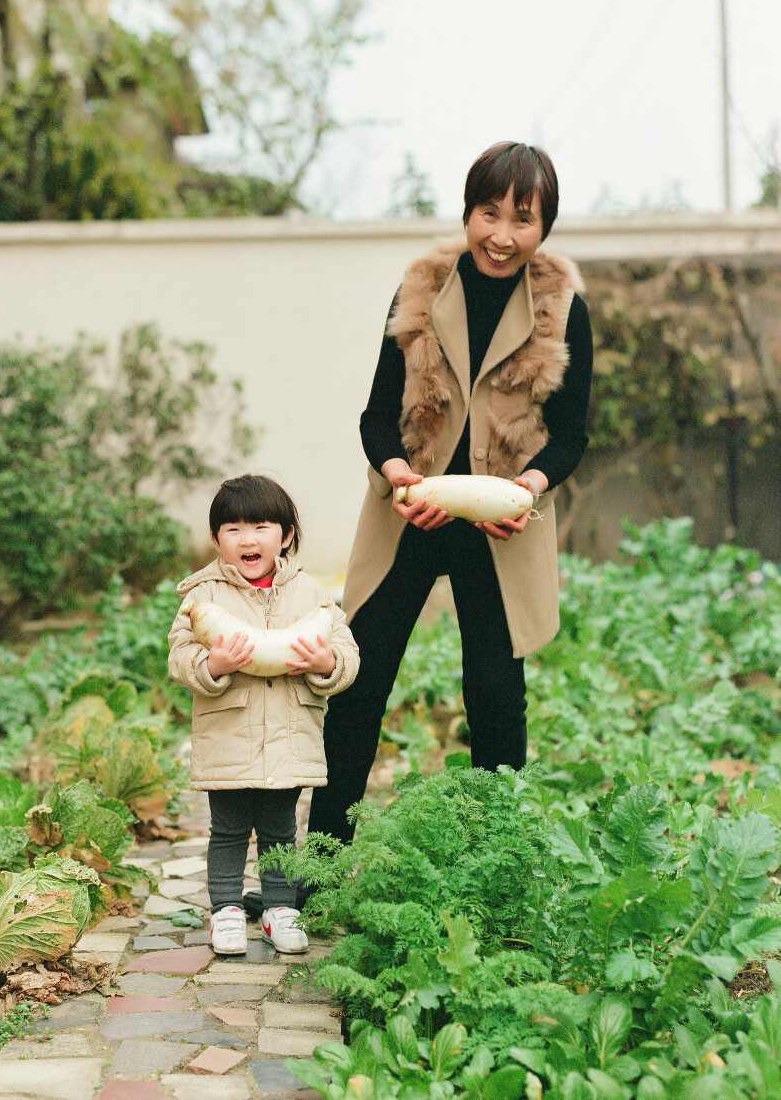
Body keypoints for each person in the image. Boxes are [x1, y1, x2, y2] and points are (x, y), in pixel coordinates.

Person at [308, 140, 593, 861]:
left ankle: (495, 863)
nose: (501, 234)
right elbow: (376, 418)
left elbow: (570, 437)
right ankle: (319, 862)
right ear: (468, 212)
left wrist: (526, 489)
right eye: (487, 212)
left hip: (503, 527)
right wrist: (402, 476)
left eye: (521, 219)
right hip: (412, 512)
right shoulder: (420, 292)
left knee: (497, 699)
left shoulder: (566, 312)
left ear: (543, 227)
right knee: (357, 685)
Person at [168, 474, 359, 956]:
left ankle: (279, 909)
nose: (247, 539)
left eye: (261, 526)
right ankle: (227, 910)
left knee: (280, 830)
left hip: (288, 736)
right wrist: (213, 665)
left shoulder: (311, 593)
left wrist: (325, 664)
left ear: (286, 535)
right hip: (228, 735)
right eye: (232, 529)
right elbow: (179, 655)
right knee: (228, 829)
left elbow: (347, 651)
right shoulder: (201, 597)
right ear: (216, 540)